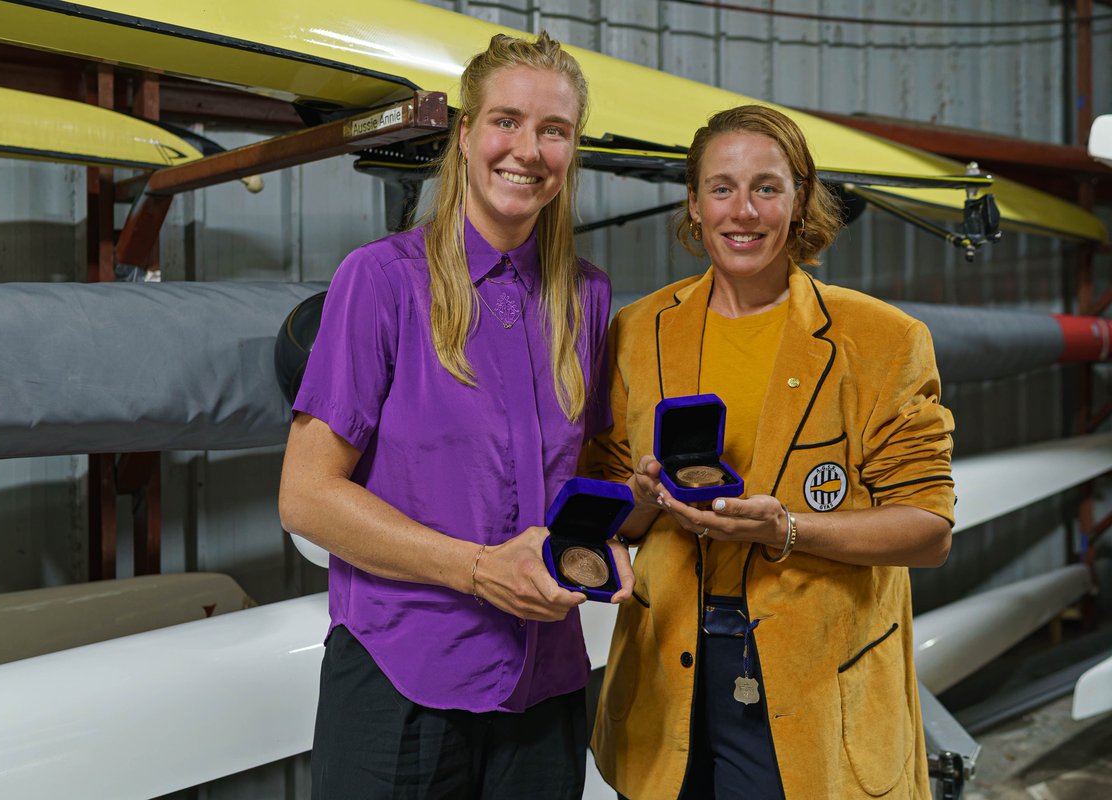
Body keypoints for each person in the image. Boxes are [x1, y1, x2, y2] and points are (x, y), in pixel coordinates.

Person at [278, 31, 633, 799]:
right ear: (466, 134)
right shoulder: (381, 282)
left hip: (545, 689)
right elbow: (306, 495)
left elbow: (591, 473)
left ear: (572, 150)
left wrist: (625, 526)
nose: (528, 149)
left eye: (554, 130)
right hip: (402, 682)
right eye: (506, 120)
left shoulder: (588, 298)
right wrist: (478, 571)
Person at [585, 105, 955, 799]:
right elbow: (610, 512)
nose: (743, 211)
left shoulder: (881, 340)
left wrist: (785, 528)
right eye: (721, 188)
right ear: (693, 204)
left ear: (799, 199)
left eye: (767, 187)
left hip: (814, 673)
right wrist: (637, 500)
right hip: (671, 669)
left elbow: (929, 531)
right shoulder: (639, 332)